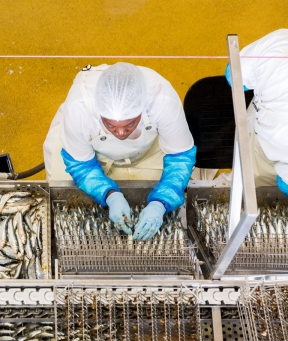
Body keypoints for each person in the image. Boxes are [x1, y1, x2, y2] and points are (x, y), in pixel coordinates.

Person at [43, 62, 196, 240]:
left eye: (130, 124)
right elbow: (81, 166)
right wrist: (110, 195)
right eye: (111, 126)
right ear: (99, 114)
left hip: (148, 148)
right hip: (87, 150)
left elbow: (180, 158)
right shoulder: (79, 110)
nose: (121, 133)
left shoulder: (162, 99)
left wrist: (160, 202)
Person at [226, 29, 288, 196]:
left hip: (263, 145)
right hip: (264, 146)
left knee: (246, 191)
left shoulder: (280, 41)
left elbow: (234, 76)